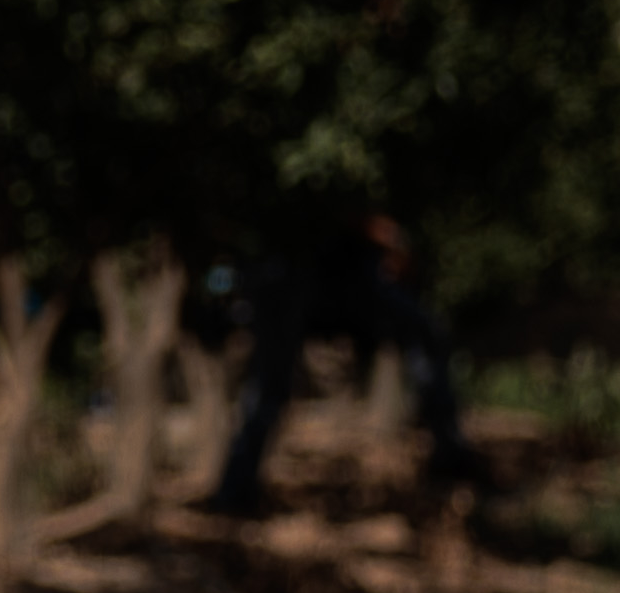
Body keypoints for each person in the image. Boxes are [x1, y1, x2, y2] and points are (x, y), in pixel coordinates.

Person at [205, 208, 488, 516]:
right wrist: (389, 237)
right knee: (269, 391)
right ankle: (234, 491)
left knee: (424, 335)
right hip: (294, 268)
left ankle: (450, 453)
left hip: (326, 273)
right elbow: (346, 212)